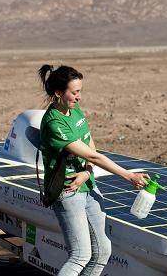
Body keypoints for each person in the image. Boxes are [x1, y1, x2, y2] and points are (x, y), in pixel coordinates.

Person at [38, 64, 148, 276]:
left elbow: (90, 147)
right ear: (58, 93)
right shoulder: (54, 123)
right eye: (74, 92)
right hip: (68, 191)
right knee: (80, 255)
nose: (79, 97)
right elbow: (92, 156)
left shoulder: (75, 111)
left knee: (102, 252)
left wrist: (87, 173)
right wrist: (129, 176)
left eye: (80, 91)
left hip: (88, 185)